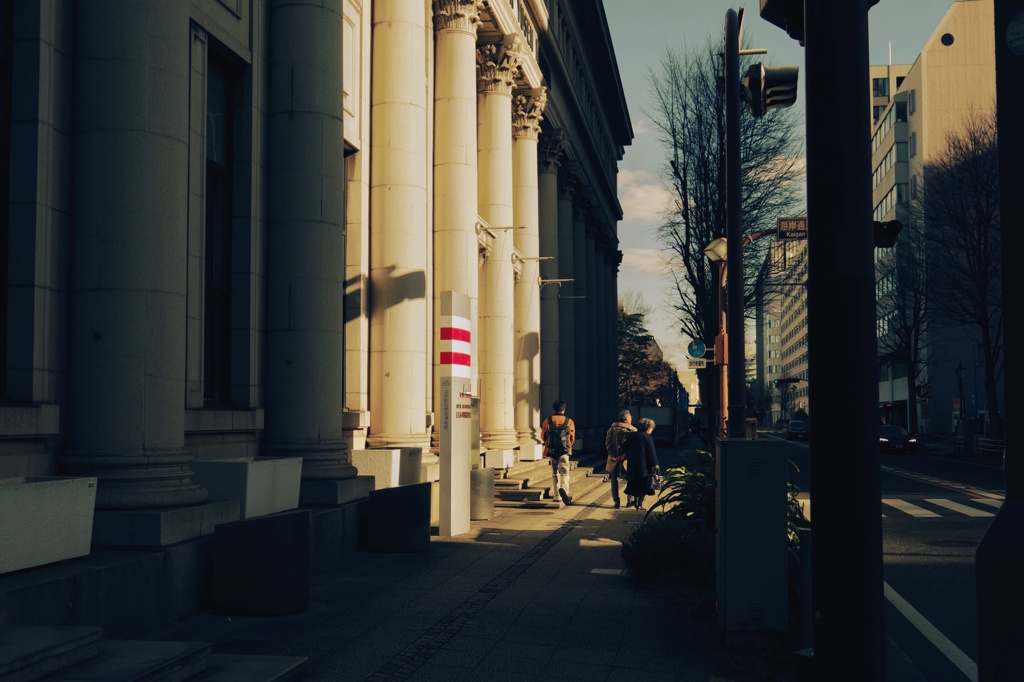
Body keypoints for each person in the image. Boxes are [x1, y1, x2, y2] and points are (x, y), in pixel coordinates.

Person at [541, 400, 576, 505]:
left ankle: (556, 495)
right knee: (565, 472)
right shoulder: (569, 421)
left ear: (554, 409)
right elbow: (572, 437)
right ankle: (564, 489)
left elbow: (543, 436)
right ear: (564, 409)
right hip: (564, 451)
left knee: (555, 473)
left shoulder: (548, 420)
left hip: (552, 450)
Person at [624, 417, 659, 511]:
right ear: (648, 427)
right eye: (651, 428)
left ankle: (632, 501)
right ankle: (639, 504)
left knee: (633, 483)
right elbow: (652, 452)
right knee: (643, 485)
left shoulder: (632, 436)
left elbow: (624, 448)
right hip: (644, 466)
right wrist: (655, 464)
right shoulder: (647, 437)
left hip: (632, 464)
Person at [604, 409, 636, 509]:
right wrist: (623, 456)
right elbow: (632, 446)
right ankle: (630, 500)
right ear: (626, 419)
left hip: (613, 459)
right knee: (630, 479)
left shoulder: (611, 429)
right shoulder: (632, 431)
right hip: (626, 460)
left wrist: (613, 455)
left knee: (614, 480)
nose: (631, 420)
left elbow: (608, 443)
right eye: (630, 418)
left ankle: (616, 501)